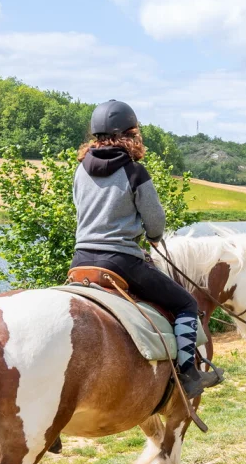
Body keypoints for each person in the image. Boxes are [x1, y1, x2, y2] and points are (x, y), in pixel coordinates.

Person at [71, 99, 222, 397]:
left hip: (80, 262)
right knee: (186, 305)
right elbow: (155, 221)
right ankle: (189, 374)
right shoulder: (134, 171)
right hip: (120, 262)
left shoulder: (80, 171)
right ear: (128, 134)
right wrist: (152, 236)